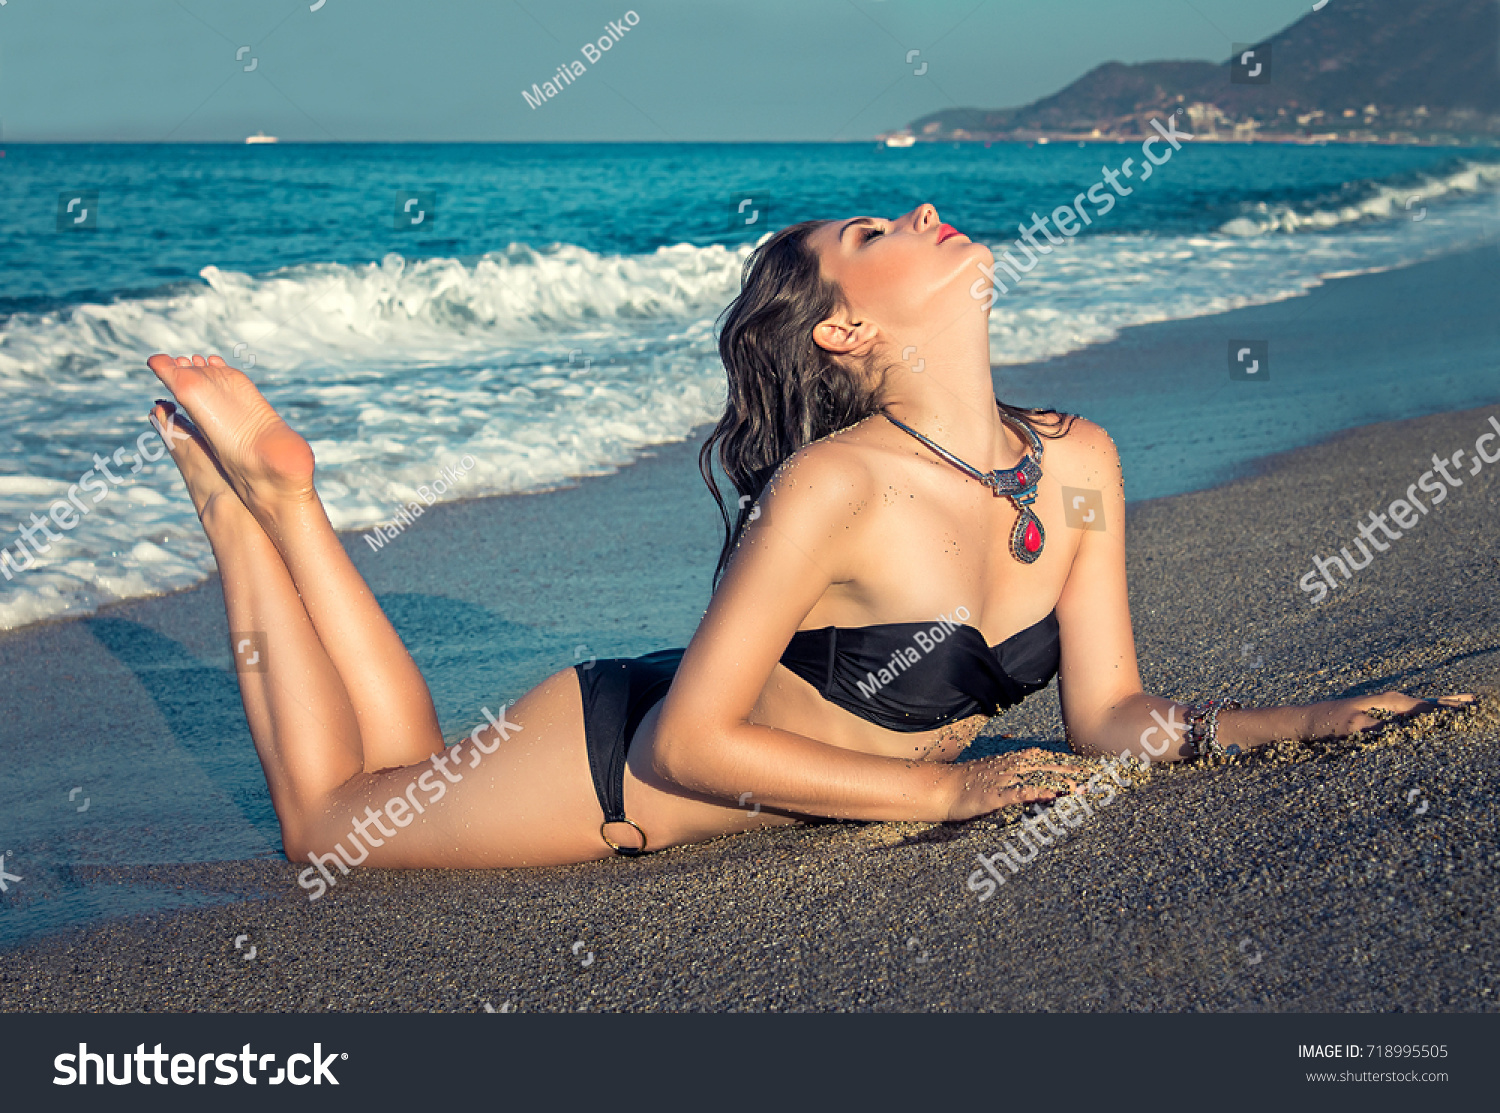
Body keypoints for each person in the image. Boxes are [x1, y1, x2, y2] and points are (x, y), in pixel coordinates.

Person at [143, 203, 1468, 876]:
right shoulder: (835, 485)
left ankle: (276, 504)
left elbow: (1109, 713)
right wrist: (942, 791)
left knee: (407, 769)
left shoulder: (1079, 458)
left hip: (691, 707)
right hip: (623, 766)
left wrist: (1310, 720)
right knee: (329, 829)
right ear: (847, 330)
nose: (919, 213)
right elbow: (685, 743)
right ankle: (266, 514)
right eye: (876, 235)